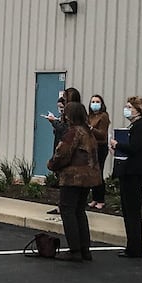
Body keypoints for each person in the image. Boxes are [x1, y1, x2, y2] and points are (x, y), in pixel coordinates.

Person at [47, 101, 100, 261]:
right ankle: (85, 249)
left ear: (69, 115)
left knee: (67, 210)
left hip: (73, 177)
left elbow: (63, 153)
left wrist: (52, 165)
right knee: (79, 211)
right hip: (89, 177)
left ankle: (74, 250)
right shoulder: (88, 132)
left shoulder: (73, 132)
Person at [110, 96, 142, 258]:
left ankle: (135, 247)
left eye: (129, 106)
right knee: (127, 210)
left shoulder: (140, 126)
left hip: (135, 173)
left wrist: (117, 145)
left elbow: (134, 148)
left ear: (138, 110)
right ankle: (131, 245)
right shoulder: (134, 126)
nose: (126, 109)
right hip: (129, 171)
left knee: (132, 210)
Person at [86, 94, 111, 208]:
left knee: (99, 172)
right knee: (92, 173)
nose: (95, 104)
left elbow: (102, 134)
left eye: (97, 102)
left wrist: (91, 129)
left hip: (100, 147)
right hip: (90, 146)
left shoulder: (103, 116)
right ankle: (94, 198)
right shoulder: (89, 116)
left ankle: (101, 199)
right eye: (93, 102)